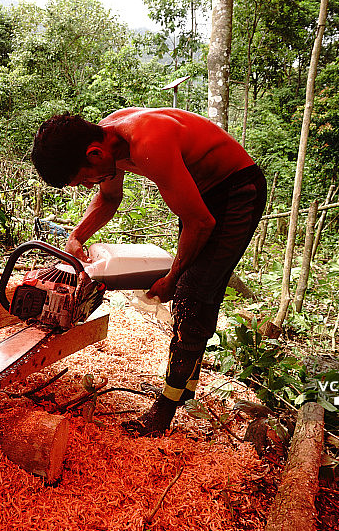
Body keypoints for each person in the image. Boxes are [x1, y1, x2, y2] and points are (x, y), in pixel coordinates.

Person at [31, 107, 267, 436]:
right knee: (196, 290)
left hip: (237, 191)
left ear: (94, 153)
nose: (89, 186)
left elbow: (201, 222)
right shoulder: (107, 142)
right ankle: (183, 386)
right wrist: (76, 236)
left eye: (85, 179)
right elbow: (109, 199)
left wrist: (171, 279)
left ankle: (165, 410)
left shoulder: (147, 143)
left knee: (191, 293)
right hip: (201, 195)